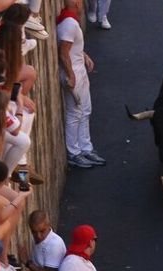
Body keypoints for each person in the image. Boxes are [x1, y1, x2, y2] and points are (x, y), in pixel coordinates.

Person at [57, 0, 105, 169]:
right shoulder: (69, 23)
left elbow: (70, 46)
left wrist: (84, 55)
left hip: (79, 70)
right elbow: (63, 52)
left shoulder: (69, 21)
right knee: (75, 112)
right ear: (76, 4)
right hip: (74, 73)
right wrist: (71, 75)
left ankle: (85, 148)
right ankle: (74, 153)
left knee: (85, 109)